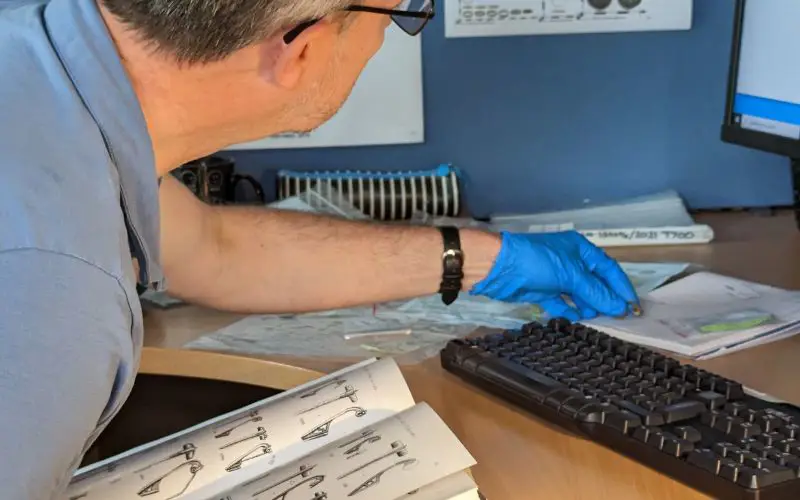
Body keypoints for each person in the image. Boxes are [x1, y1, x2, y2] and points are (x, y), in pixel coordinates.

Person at [0, 0, 640, 497]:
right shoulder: (53, 281)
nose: (385, 39)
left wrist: (478, 257)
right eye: (397, 18)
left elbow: (212, 249)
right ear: (301, 50)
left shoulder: (41, 71)